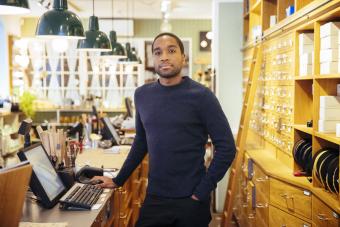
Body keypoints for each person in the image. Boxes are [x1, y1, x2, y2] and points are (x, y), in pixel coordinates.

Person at [92, 33, 236, 227]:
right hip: (156, 197)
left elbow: (227, 147)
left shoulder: (202, 96)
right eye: (158, 52)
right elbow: (141, 142)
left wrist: (203, 190)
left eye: (171, 50)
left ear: (183, 57)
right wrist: (118, 180)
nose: (164, 57)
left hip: (192, 200)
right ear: (153, 58)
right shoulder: (142, 95)